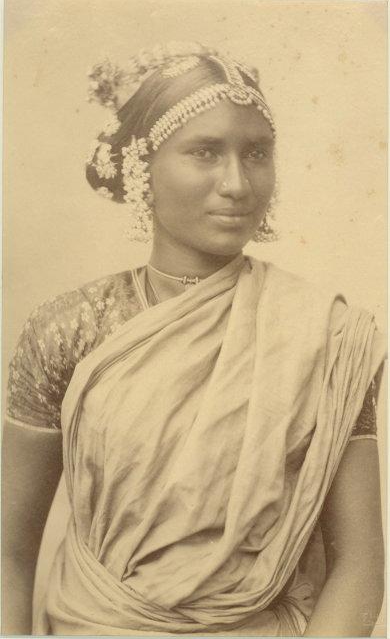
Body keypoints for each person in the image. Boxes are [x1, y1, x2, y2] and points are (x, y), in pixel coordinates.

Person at [3, 42, 386, 636]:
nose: (237, 182)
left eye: (256, 153)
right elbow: (8, 552)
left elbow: (360, 563)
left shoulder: (327, 337)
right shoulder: (69, 329)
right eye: (205, 152)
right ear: (141, 167)